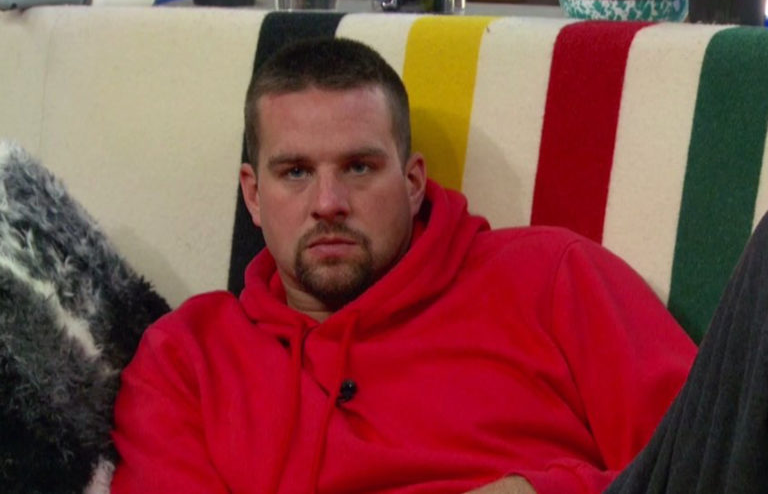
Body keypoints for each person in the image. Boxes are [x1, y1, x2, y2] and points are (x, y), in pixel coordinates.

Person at [110, 38, 699, 493]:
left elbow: (709, 464)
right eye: (296, 172)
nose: (328, 203)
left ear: (413, 182)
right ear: (253, 195)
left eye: (359, 167)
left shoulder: (554, 278)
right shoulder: (185, 360)